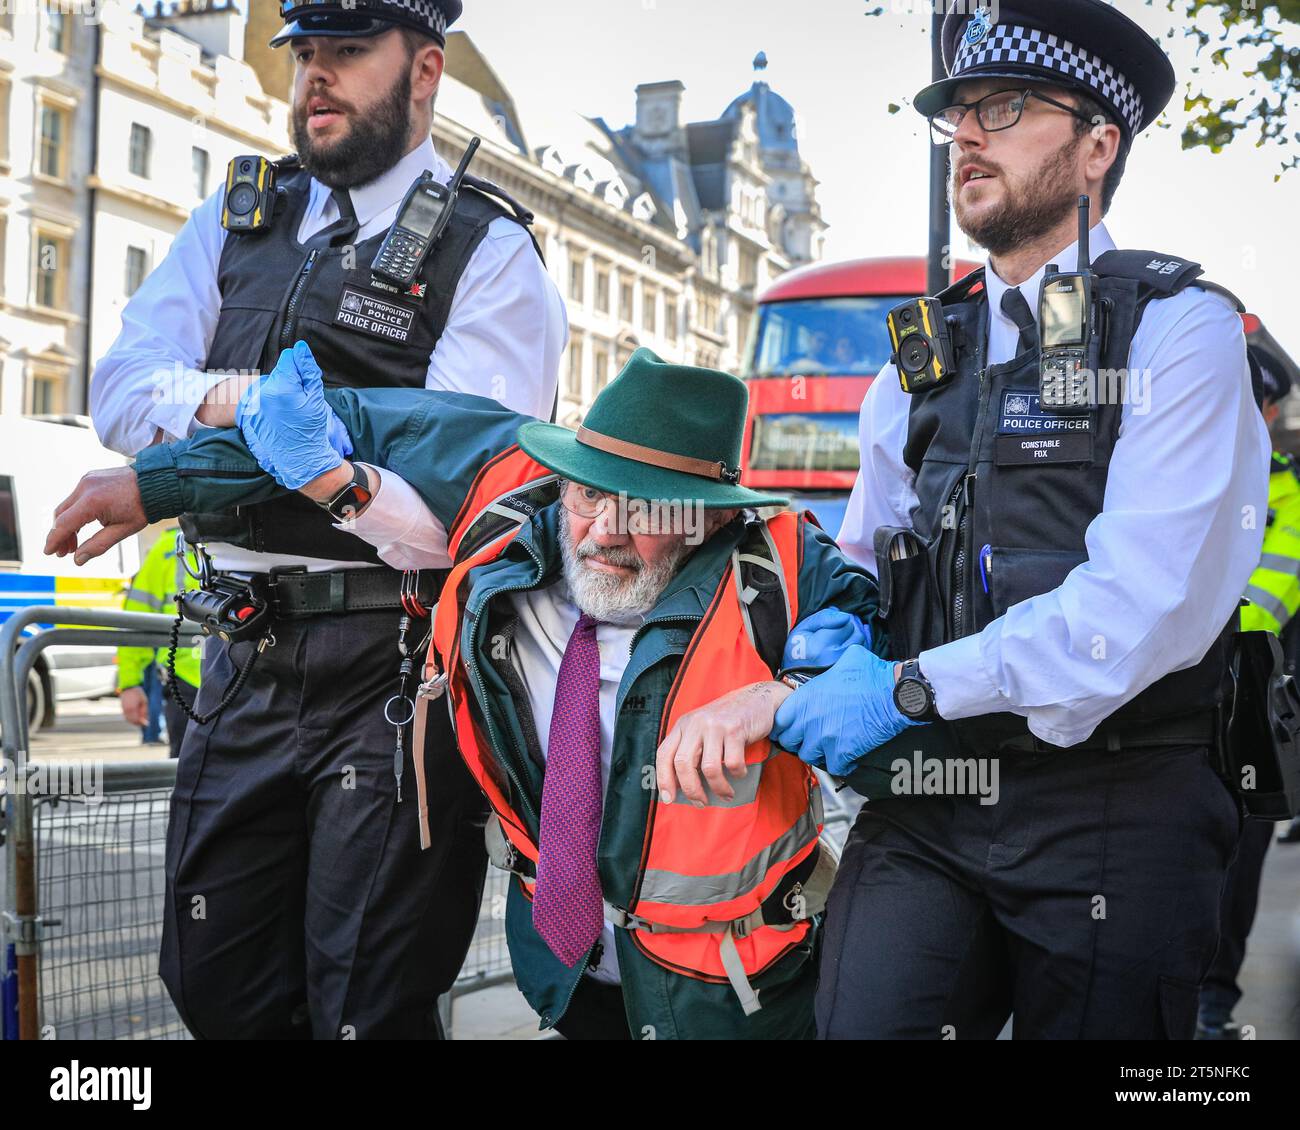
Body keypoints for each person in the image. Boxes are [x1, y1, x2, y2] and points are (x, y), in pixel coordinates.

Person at [47, 345, 882, 1039]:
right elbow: (328, 421)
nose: (608, 532)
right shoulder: (511, 484)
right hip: (564, 967)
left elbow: (877, 664)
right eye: (591, 494)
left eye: (649, 510)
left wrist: (792, 692)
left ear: (708, 517)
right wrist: (159, 483)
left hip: (736, 990)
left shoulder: (781, 566)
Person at [774, 0, 1270, 1039]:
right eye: (957, 109)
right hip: (931, 789)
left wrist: (907, 685)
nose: (965, 132)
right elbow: (867, 547)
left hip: (1116, 804)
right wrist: (837, 622)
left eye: (1002, 107)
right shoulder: (917, 354)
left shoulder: (1179, 333)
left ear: (1097, 148)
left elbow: (1134, 609)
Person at [87, 0, 567, 1040]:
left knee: (365, 1004)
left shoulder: (489, 252)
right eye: (305, 51)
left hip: (390, 661)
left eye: (347, 52)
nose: (315, 76)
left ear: (425, 69)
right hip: (241, 650)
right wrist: (243, 404)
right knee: (211, 978)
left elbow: (472, 508)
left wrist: (328, 476)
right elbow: (121, 392)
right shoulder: (239, 216)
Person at [1198, 342, 1300, 1039]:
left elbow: (1270, 596)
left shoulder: (1287, 488)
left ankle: (1212, 1009)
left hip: (1248, 714)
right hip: (1168, 706)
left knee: (1235, 866)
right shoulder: (1180, 465)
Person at [117, 527, 202, 758]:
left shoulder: (248, 536)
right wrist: (130, 684)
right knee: (187, 771)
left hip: (243, 679)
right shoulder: (167, 547)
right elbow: (136, 620)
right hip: (185, 683)